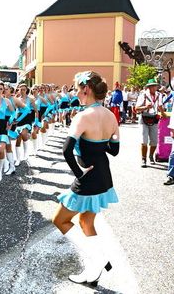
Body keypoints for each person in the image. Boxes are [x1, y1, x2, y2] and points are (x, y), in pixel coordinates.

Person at [52, 71, 119, 287]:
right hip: (104, 176)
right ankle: (94, 268)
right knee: (85, 220)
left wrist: (79, 174)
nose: (75, 93)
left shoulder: (82, 116)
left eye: (77, 89)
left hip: (88, 178)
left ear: (86, 89)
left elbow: (66, 150)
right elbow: (115, 150)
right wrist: (102, 142)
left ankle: (98, 260)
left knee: (60, 220)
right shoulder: (110, 115)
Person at [135, 79, 166, 168]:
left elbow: (160, 106)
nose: (154, 87)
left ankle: (151, 156)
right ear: (148, 87)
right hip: (144, 118)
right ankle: (143, 159)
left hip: (154, 118)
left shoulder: (159, 95)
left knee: (154, 141)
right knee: (144, 140)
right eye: (152, 86)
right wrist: (146, 107)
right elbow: (137, 108)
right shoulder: (143, 95)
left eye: (155, 86)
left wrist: (164, 115)